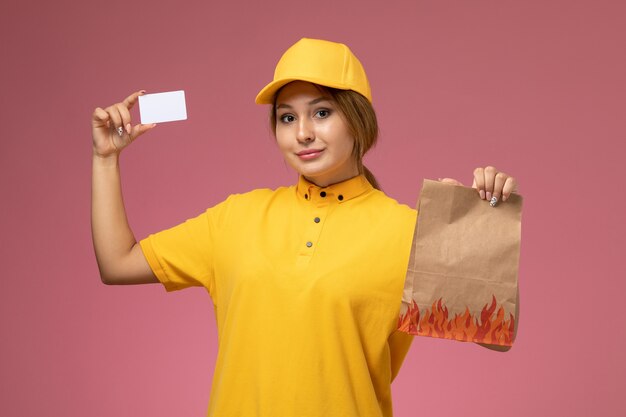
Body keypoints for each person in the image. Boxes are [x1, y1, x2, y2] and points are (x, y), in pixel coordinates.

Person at [91, 38, 518, 417]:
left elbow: (496, 336)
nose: (304, 133)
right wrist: (106, 160)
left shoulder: (408, 231)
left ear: (358, 120)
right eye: (287, 118)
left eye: (322, 112)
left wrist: (475, 230)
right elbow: (117, 263)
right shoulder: (236, 218)